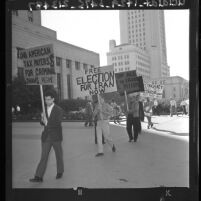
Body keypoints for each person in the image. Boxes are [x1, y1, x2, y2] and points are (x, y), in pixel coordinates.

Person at [29, 90, 64, 182]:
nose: (47, 101)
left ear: (53, 99)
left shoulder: (59, 110)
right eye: (45, 99)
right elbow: (42, 123)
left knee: (59, 155)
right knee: (43, 156)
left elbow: (57, 122)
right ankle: (38, 176)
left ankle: (60, 171)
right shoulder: (44, 109)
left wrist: (47, 122)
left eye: (48, 99)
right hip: (46, 136)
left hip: (56, 136)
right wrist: (42, 119)